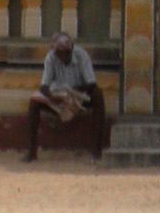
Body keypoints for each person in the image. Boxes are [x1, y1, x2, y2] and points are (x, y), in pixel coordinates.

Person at [25, 28, 105, 161]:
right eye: (61, 54)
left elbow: (92, 84)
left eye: (67, 53)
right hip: (58, 98)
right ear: (56, 53)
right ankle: (31, 152)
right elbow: (44, 86)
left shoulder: (82, 55)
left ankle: (96, 149)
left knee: (98, 95)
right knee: (34, 103)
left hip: (79, 96)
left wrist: (74, 90)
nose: (65, 57)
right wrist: (52, 95)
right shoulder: (50, 58)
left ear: (72, 49)